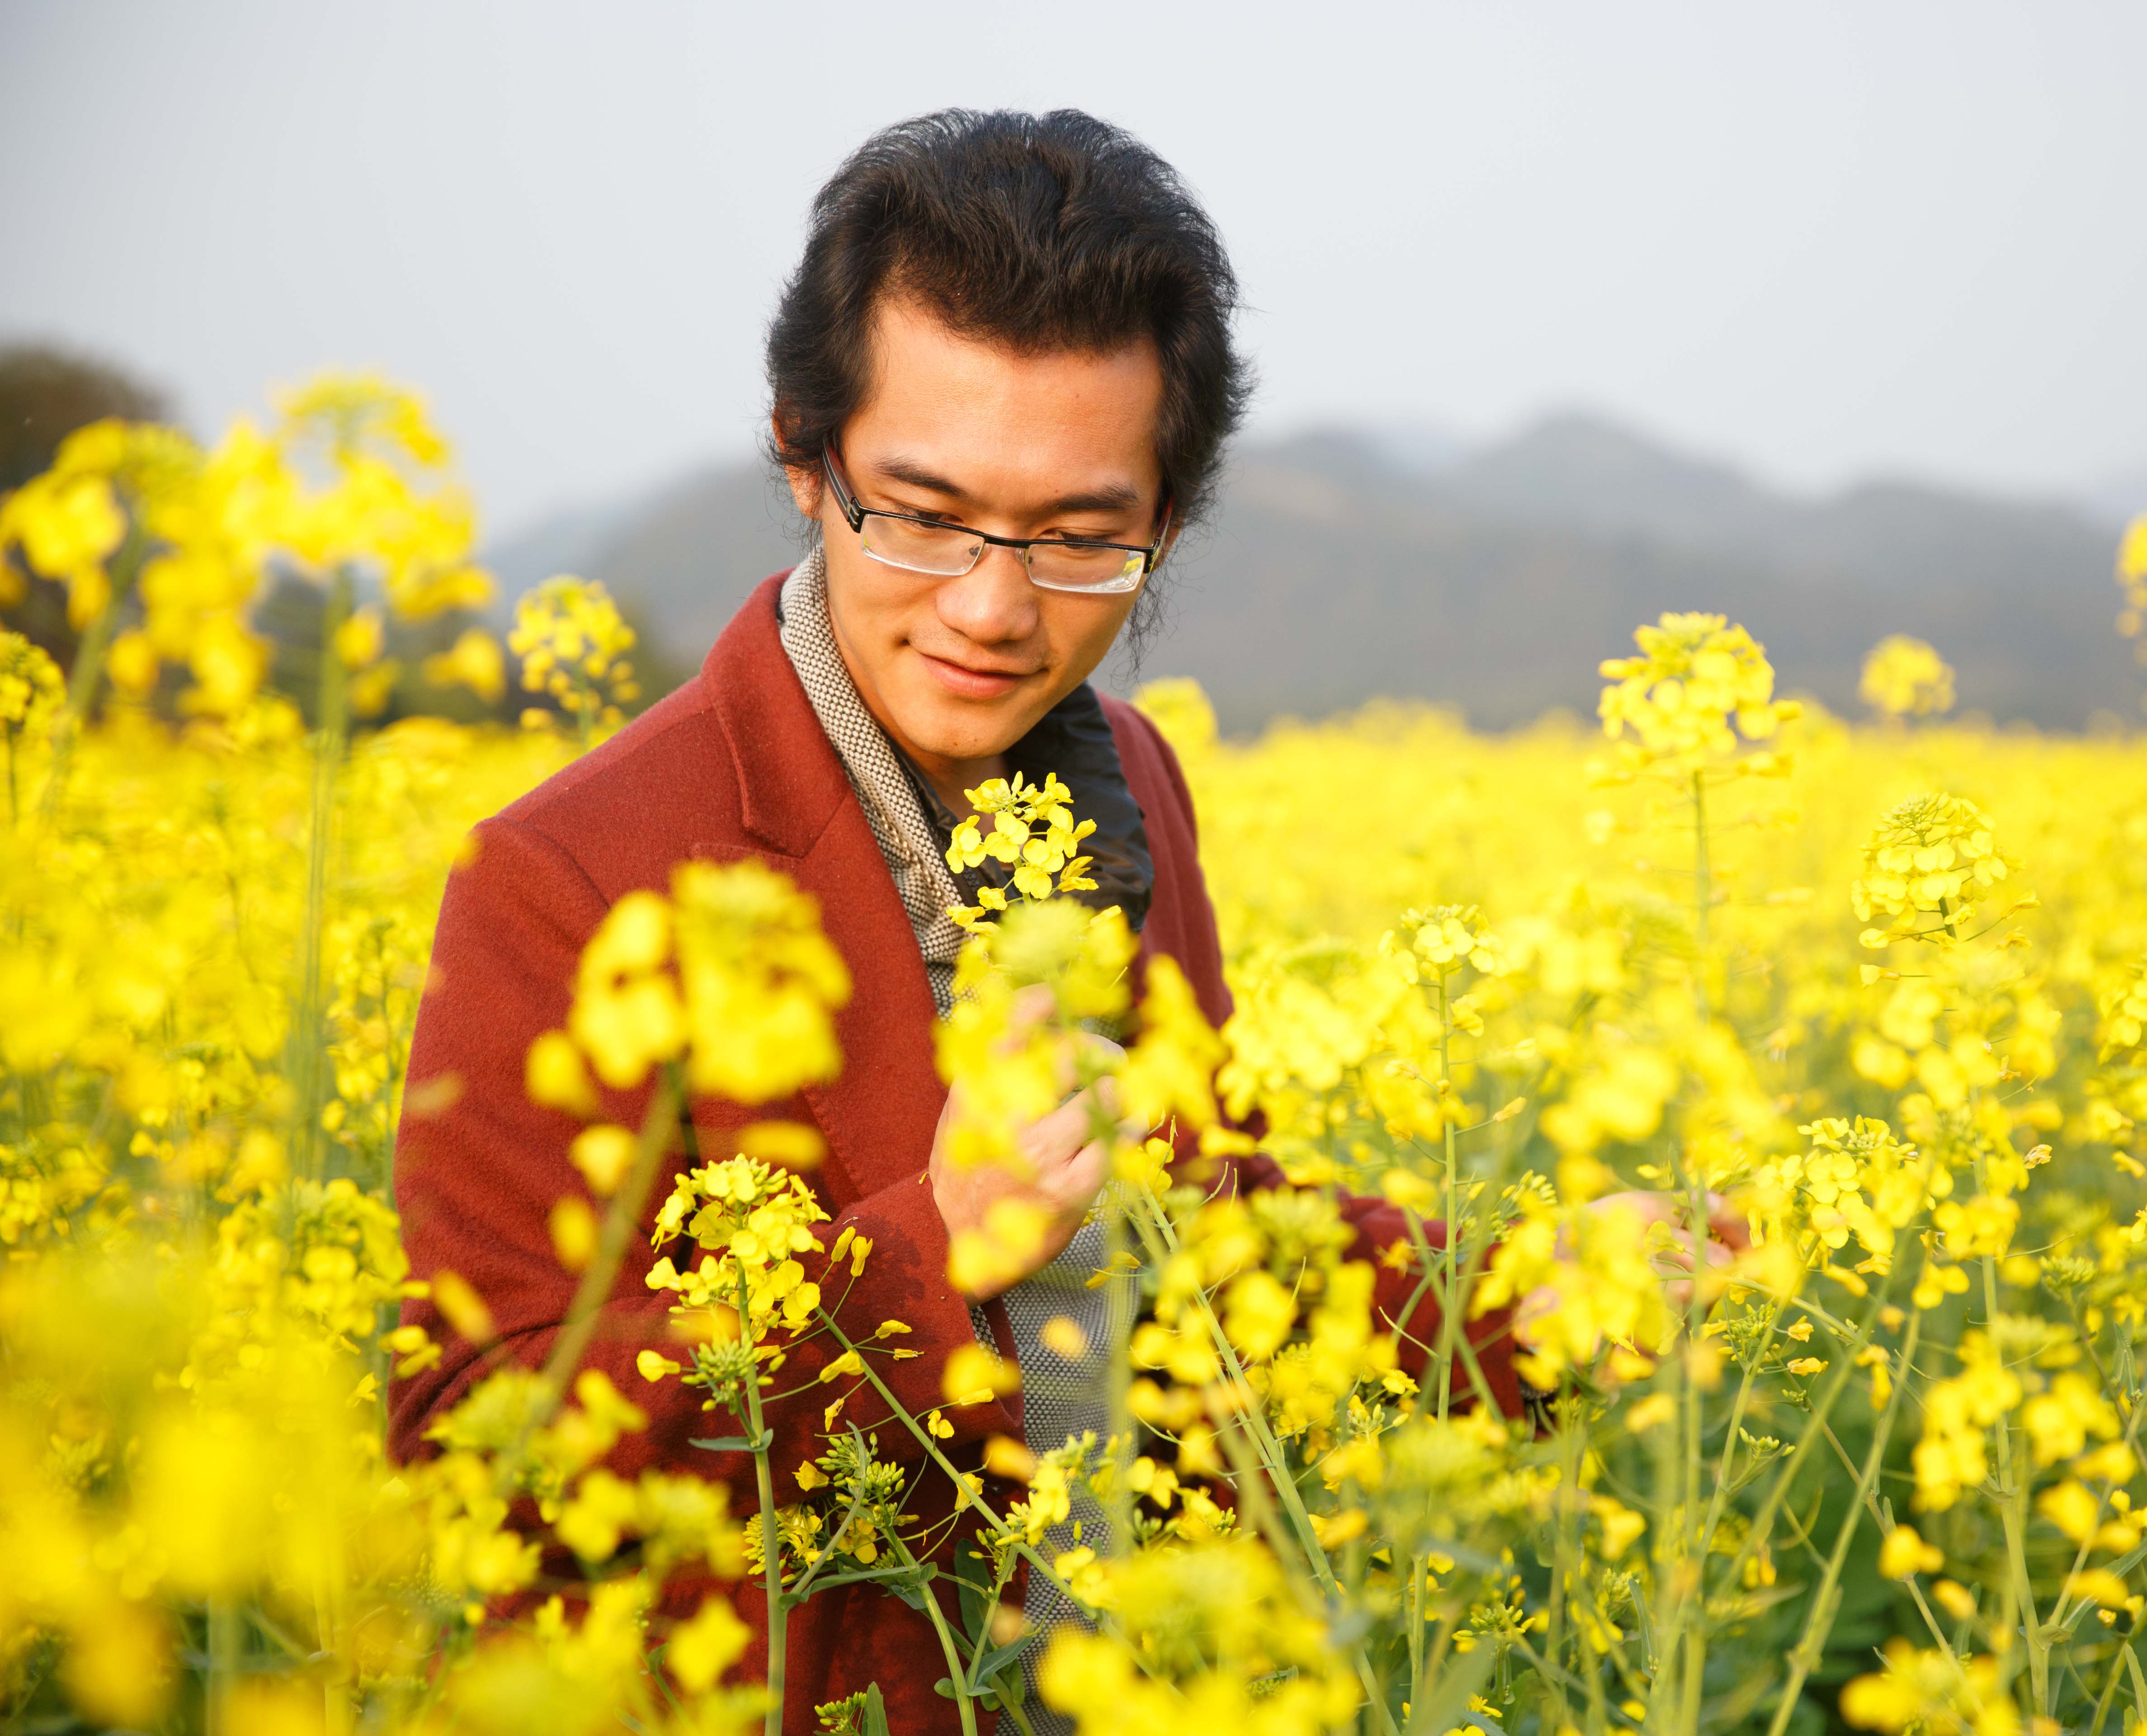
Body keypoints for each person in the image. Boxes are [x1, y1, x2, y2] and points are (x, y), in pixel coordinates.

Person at [389, 108, 1734, 1736]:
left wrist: (1520, 1299)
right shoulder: (575, 871)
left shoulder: (1131, 784)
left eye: (1084, 536)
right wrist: (924, 1253)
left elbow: (1220, 1234)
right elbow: (468, 1438)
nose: (991, 605)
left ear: (1169, 518)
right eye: (922, 511)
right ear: (803, 457)